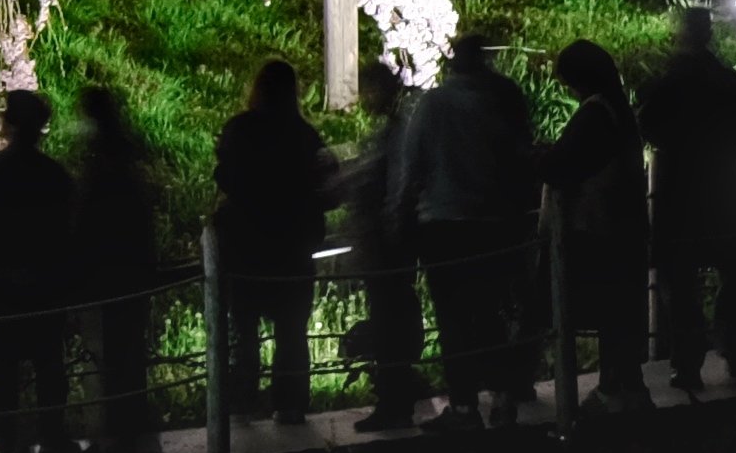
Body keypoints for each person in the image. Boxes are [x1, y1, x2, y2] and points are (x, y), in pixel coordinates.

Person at [405, 30, 543, 425]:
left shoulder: (433, 105)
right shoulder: (500, 100)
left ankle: (463, 404)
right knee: (491, 314)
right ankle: (502, 396)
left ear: (453, 61)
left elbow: (412, 165)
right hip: (495, 223)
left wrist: (401, 212)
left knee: (453, 318)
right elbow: (521, 154)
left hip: (444, 224)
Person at [0, 91, 78, 453]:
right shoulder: (55, 175)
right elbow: (67, 228)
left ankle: (7, 440)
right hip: (46, 279)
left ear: (8, 124)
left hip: (4, 282)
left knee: (5, 365)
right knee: (49, 362)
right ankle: (53, 435)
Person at [639, 2, 736, 394]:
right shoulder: (730, 81)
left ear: (681, 34)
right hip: (723, 186)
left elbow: (650, 129)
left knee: (681, 281)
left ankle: (687, 364)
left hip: (679, 193)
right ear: (710, 34)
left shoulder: (664, 84)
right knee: (733, 272)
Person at [205, 61, 325, 423]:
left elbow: (224, 175)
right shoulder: (304, 135)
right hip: (292, 245)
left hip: (245, 245)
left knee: (243, 331)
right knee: (292, 332)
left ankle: (242, 403)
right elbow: (319, 186)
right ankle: (290, 404)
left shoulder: (240, 129)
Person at [541, 40, 651, 407]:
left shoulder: (596, 113)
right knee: (620, 312)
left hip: (603, 228)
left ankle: (614, 391)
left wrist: (536, 156)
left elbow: (561, 164)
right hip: (626, 224)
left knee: (609, 310)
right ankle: (623, 385)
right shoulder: (618, 108)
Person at [66, 83, 168, 453]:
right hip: (132, 272)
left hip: (104, 275)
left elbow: (87, 224)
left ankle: (113, 435)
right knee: (129, 356)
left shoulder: (99, 167)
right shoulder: (127, 160)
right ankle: (132, 430)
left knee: (109, 358)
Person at [339, 61, 427, 430]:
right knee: (392, 314)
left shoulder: (396, 132)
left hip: (388, 245)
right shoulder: (395, 129)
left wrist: (390, 227)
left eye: (368, 90)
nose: (363, 99)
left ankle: (395, 400)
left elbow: (398, 185)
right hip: (389, 242)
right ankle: (397, 394)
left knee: (390, 317)